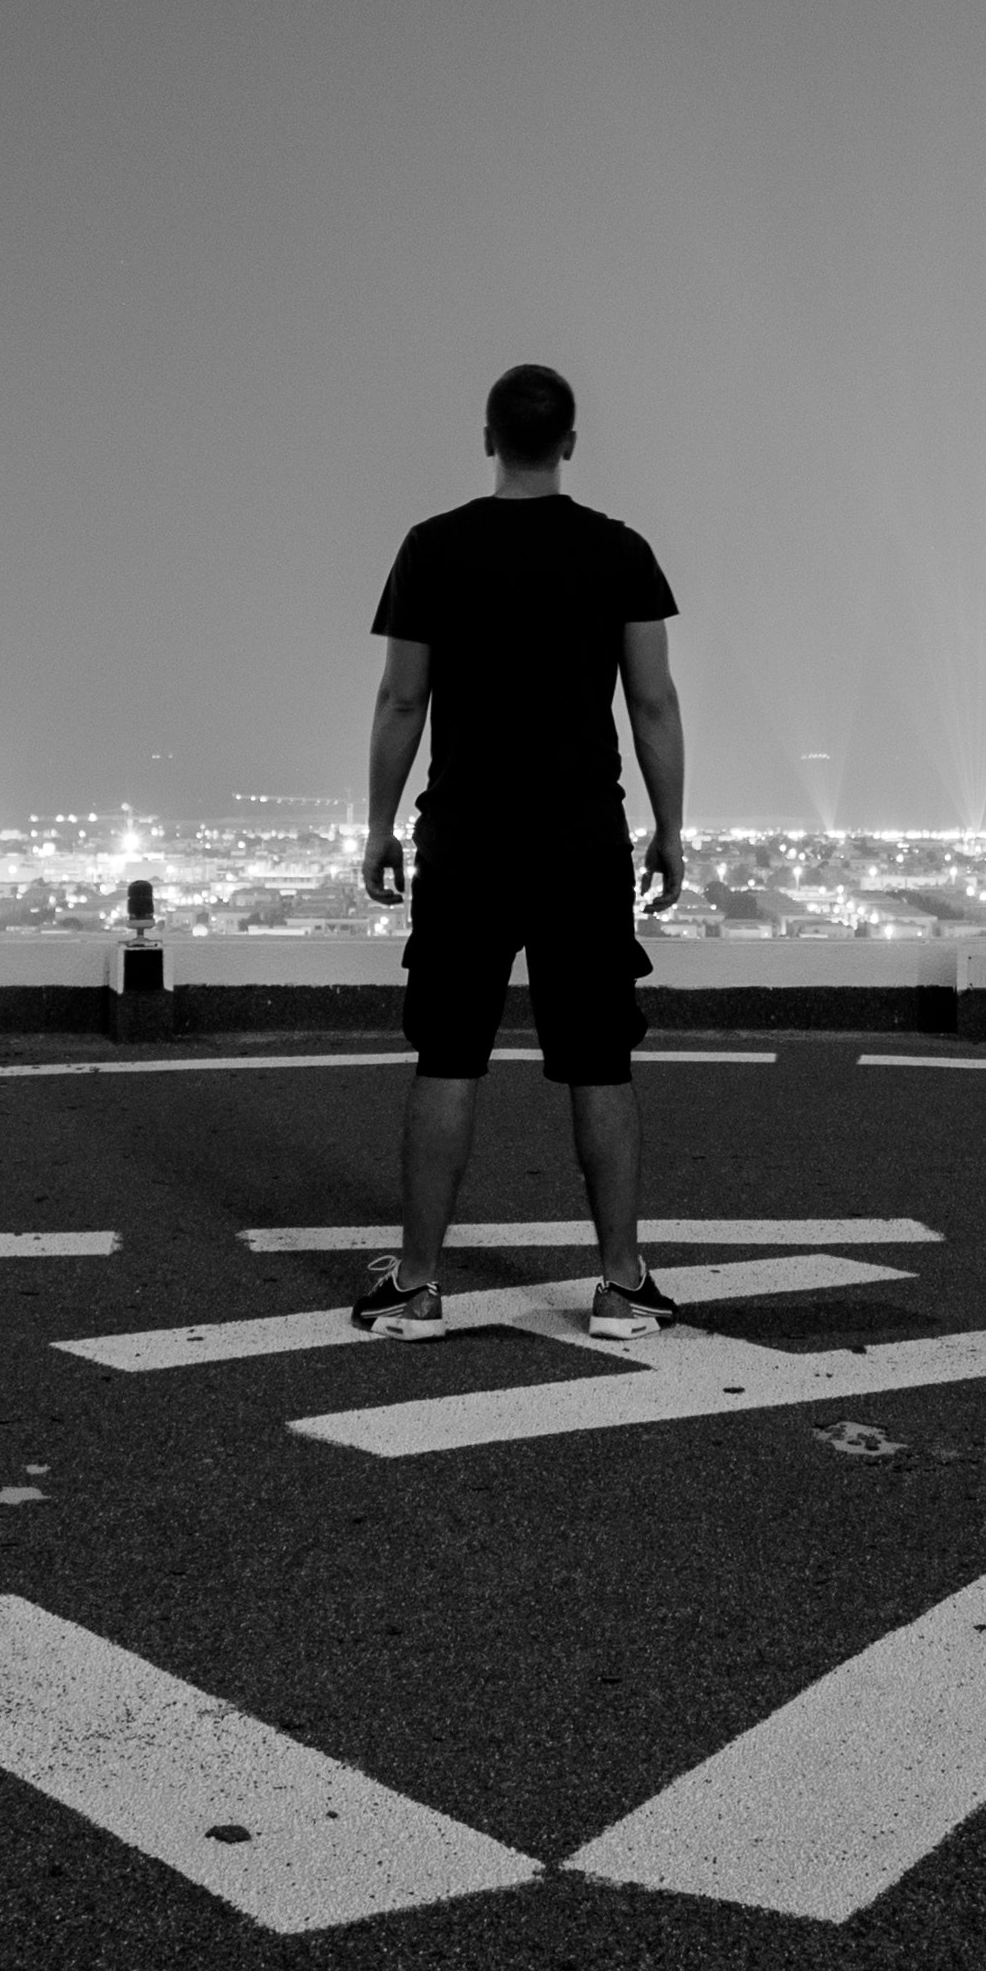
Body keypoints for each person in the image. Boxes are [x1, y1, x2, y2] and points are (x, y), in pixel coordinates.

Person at [355, 360, 690, 1336]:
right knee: (599, 1061)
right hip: (583, 841)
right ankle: (622, 1283)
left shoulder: (433, 550)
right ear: (571, 443)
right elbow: (655, 704)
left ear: (488, 438)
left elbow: (401, 699)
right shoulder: (618, 554)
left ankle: (416, 1284)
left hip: (465, 840)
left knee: (449, 1054)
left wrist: (379, 825)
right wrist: (669, 828)